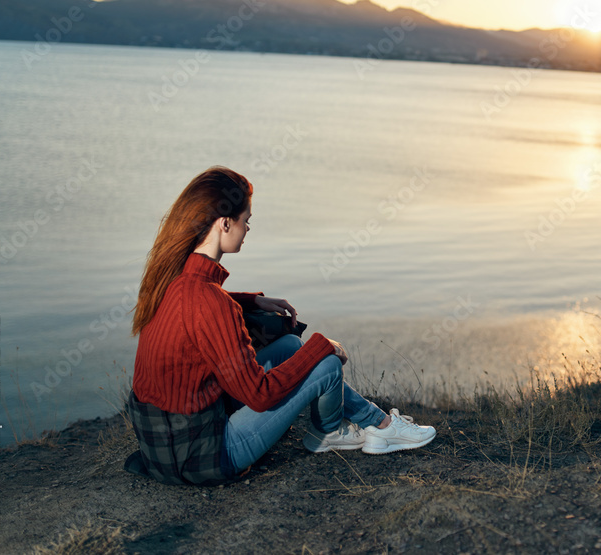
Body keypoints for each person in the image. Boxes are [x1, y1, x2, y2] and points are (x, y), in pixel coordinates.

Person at [124, 166, 434, 486]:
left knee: (289, 347)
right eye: (246, 220)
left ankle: (336, 430)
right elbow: (259, 395)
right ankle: (376, 428)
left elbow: (194, 308)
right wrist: (321, 347)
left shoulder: (171, 280)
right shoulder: (212, 304)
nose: (247, 229)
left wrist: (249, 302)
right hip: (206, 457)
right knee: (324, 363)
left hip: (163, 449)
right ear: (224, 223)